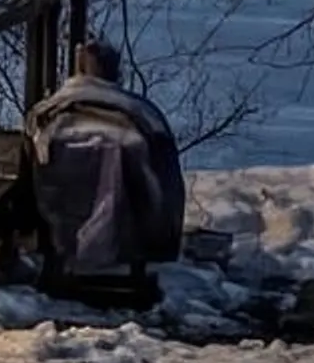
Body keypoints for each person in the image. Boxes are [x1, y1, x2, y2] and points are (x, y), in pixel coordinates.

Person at [16, 40, 186, 294]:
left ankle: (55, 256)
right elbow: (168, 185)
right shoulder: (144, 115)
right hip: (129, 222)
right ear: (115, 71)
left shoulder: (44, 114)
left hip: (58, 217)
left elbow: (25, 175)